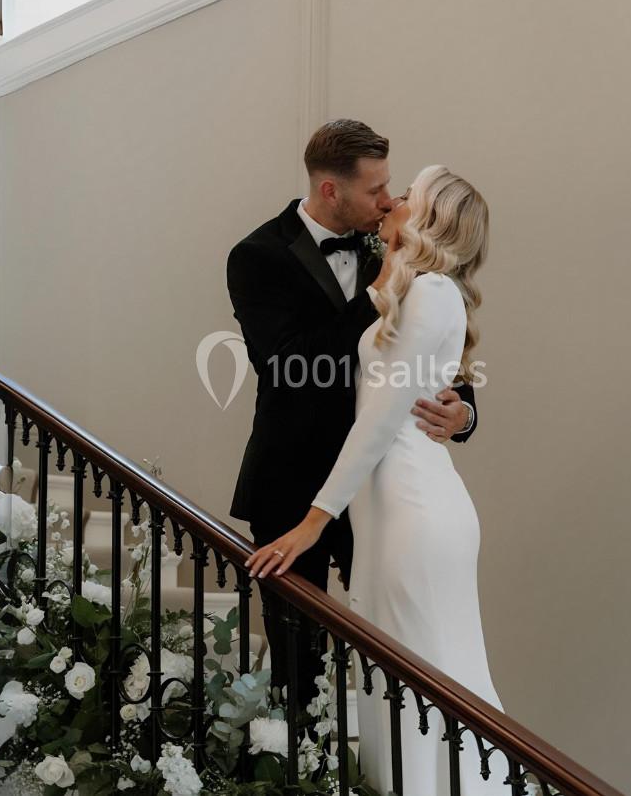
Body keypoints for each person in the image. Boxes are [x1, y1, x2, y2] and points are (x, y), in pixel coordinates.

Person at [247, 164, 509, 795]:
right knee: (396, 685)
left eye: (407, 195)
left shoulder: (430, 292)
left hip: (411, 505)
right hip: (377, 503)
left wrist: (314, 522)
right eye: (386, 190)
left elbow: (383, 418)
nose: (392, 200)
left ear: (429, 219)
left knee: (428, 686)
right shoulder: (406, 282)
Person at [226, 120, 479, 706]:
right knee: (300, 661)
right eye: (374, 190)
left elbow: (443, 358)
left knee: (402, 650)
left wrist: (463, 414)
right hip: (295, 482)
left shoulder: (397, 247)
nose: (389, 201)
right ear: (331, 190)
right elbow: (288, 366)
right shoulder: (256, 256)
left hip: (388, 483)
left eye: (391, 186)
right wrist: (376, 293)